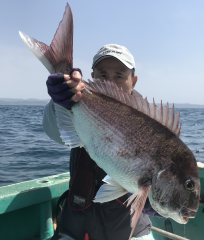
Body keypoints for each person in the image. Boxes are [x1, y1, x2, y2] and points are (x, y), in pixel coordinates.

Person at [43, 44, 161, 240]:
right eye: (103, 75)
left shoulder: (150, 124)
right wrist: (60, 100)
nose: (110, 83)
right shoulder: (79, 104)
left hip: (130, 231)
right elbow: (54, 131)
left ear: (134, 81)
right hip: (74, 229)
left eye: (119, 76)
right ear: (92, 77)